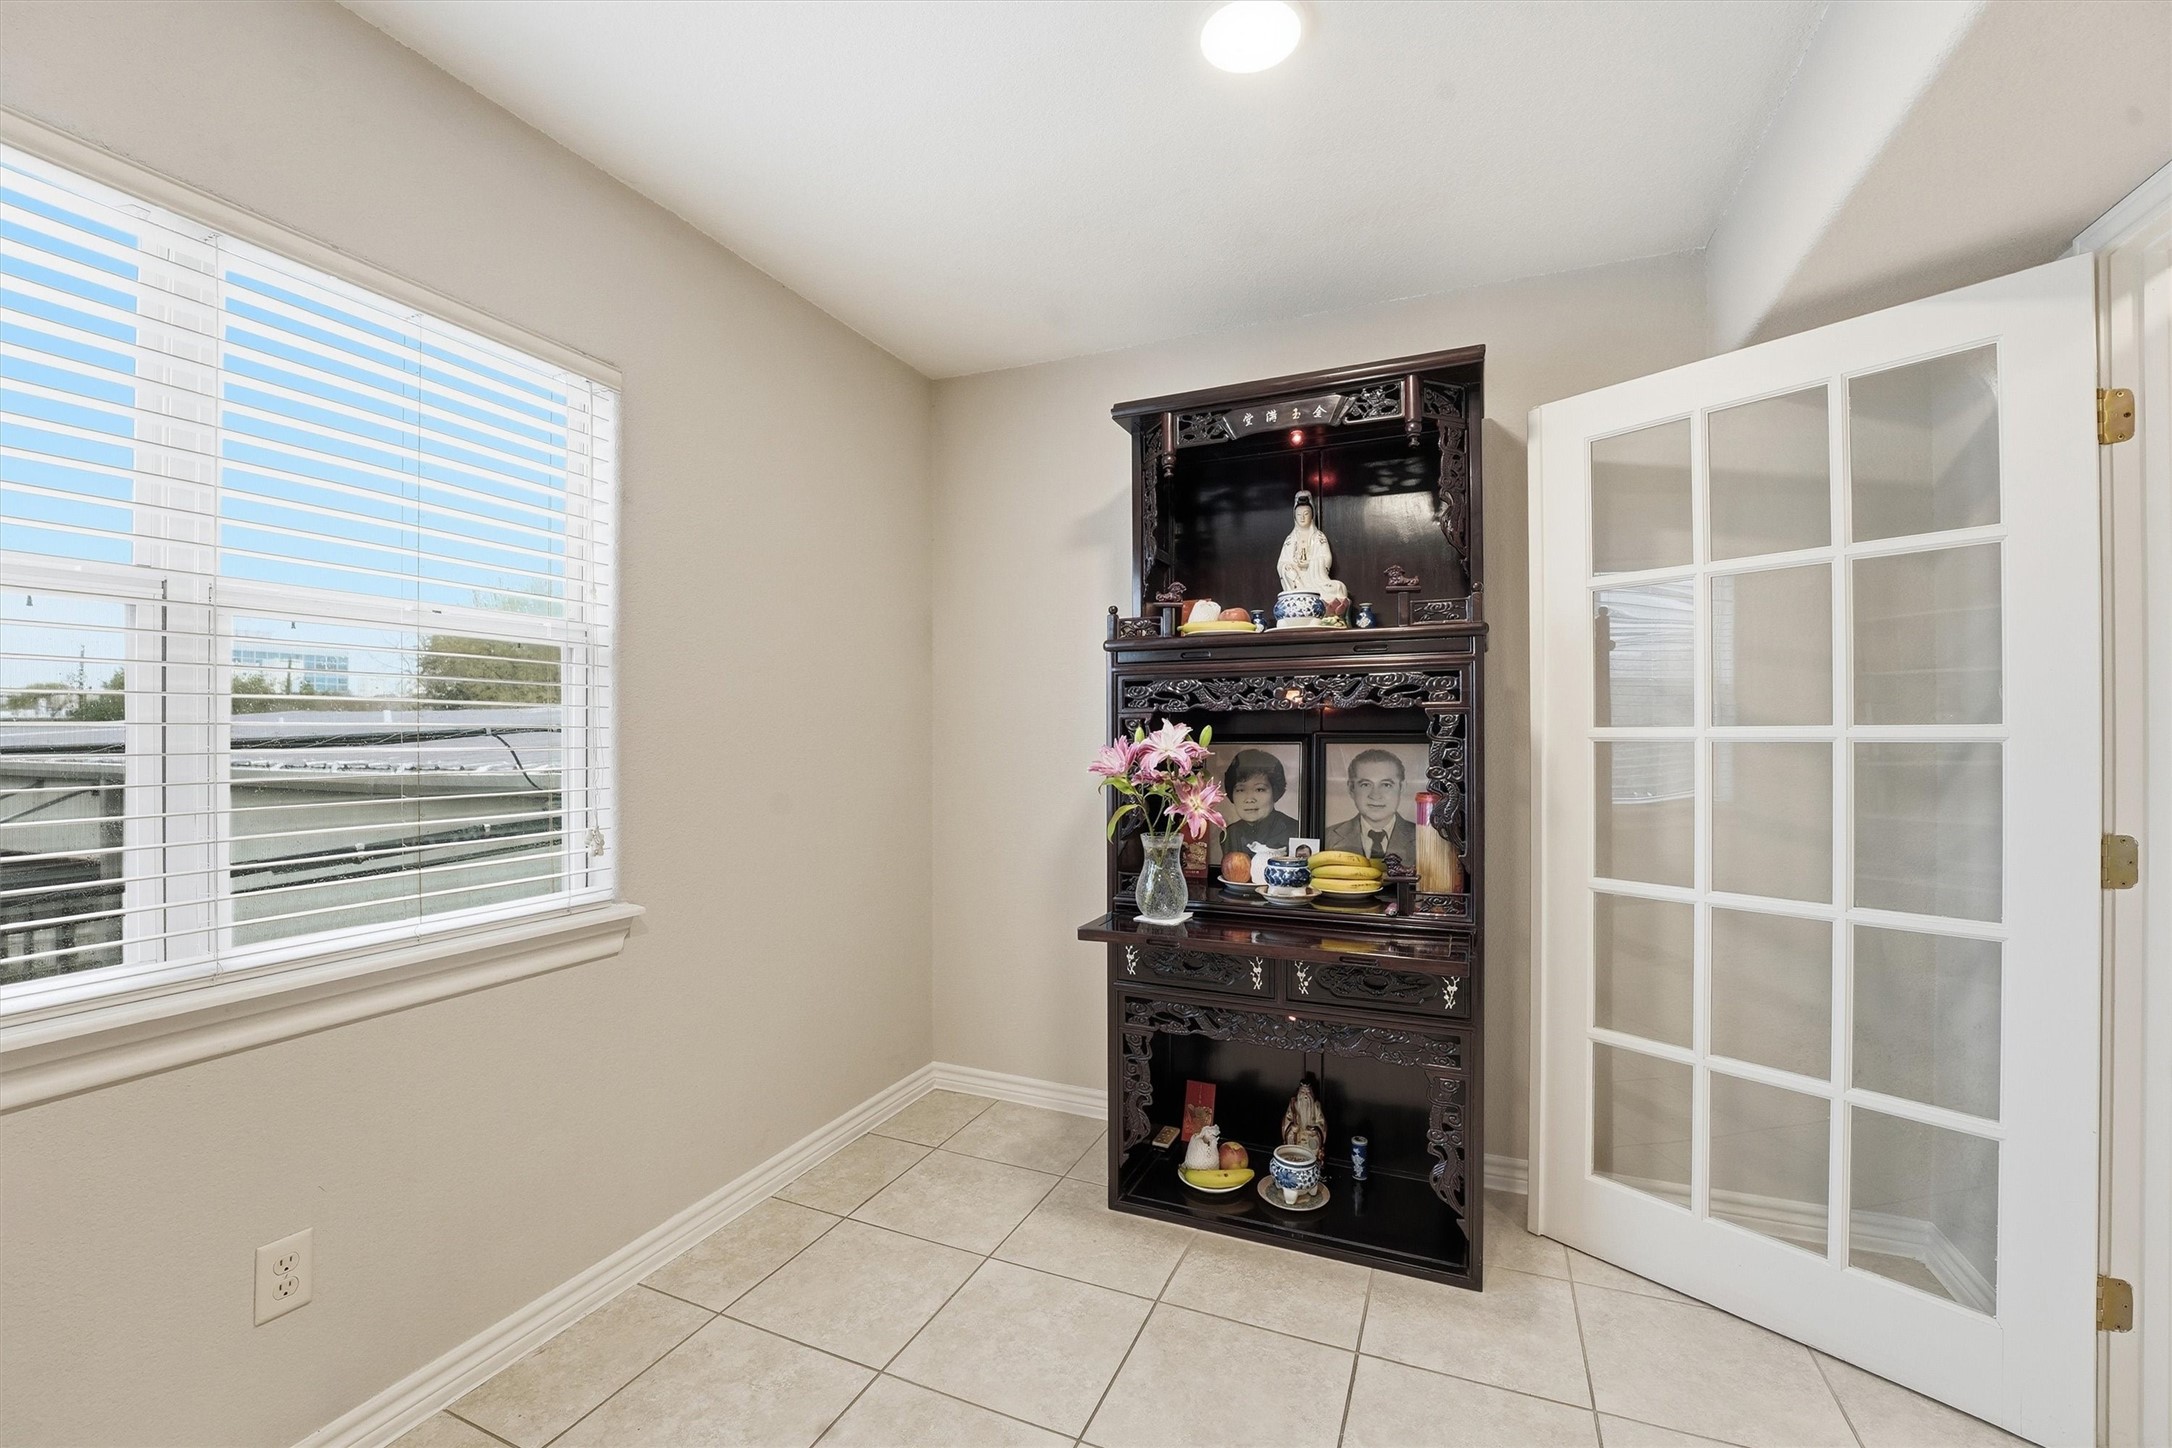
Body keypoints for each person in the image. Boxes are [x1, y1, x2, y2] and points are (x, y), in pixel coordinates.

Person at [1323, 748, 1417, 861]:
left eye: (1386, 785)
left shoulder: (1423, 838)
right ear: (1351, 788)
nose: (1375, 795)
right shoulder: (1328, 837)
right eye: (1365, 785)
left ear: (1402, 788)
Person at [1217, 749, 1299, 858]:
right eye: (1240, 790)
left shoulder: (1295, 830)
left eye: (1259, 789)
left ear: (1275, 792)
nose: (1249, 799)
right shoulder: (1229, 835)